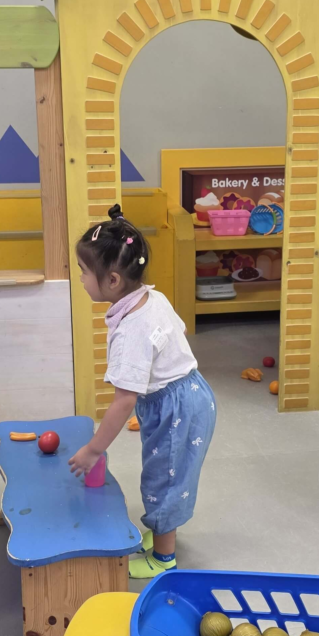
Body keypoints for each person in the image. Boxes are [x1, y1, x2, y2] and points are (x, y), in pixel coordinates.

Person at [69, 204, 216, 578]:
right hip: (187, 394)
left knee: (164, 479)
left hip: (176, 406)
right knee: (167, 474)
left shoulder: (132, 331)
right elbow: (176, 333)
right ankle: (161, 533)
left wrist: (93, 449)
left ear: (114, 280)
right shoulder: (153, 298)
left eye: (85, 273)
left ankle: (163, 559)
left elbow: (124, 402)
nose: (82, 280)